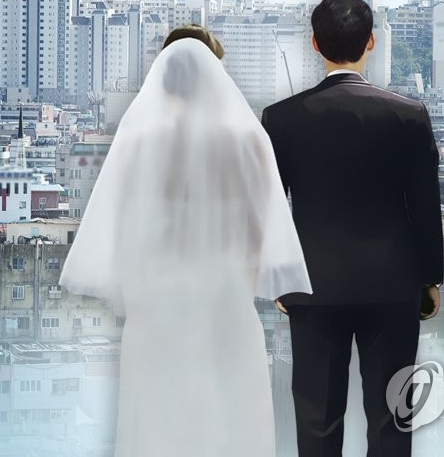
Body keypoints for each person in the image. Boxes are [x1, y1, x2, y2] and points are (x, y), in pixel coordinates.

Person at [60, 36, 312, 457]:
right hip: (225, 295)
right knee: (230, 414)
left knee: (158, 416)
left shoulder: (140, 142)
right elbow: (260, 228)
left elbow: (124, 226)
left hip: (158, 298)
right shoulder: (247, 140)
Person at [262, 0, 444, 457]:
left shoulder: (281, 118)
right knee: (391, 421)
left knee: (317, 421)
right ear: (371, 42)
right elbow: (426, 205)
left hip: (313, 285)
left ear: (314, 43)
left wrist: (280, 277)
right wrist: (430, 280)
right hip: (392, 286)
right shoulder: (409, 116)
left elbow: (271, 208)